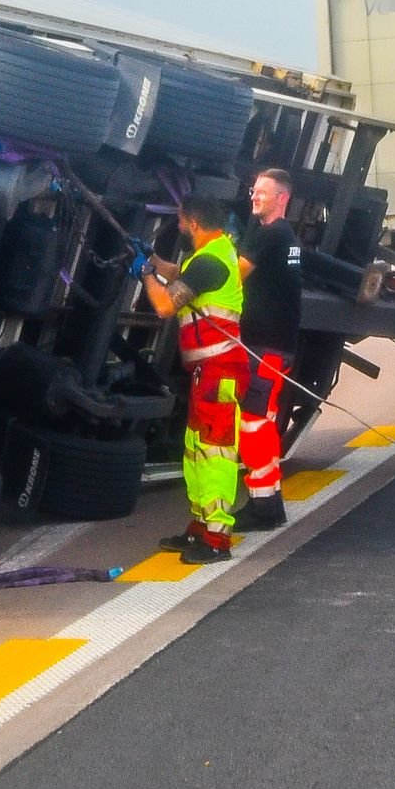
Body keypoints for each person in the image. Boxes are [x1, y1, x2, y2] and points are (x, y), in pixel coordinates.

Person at [156, 201, 256, 563]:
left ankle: (217, 540)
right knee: (196, 450)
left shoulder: (210, 261)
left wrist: (145, 276)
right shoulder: (214, 253)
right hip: (208, 373)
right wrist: (151, 261)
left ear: (194, 222)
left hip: (220, 372)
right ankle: (200, 528)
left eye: (181, 221)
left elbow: (165, 306)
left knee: (215, 454)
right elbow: (180, 272)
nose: (180, 227)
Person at [233, 167, 307, 530]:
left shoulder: (273, 234)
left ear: (283, 198)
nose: (254, 196)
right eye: (253, 190)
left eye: (262, 192)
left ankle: (263, 507)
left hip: (268, 347)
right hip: (274, 345)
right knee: (261, 421)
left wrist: (186, 275)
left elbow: (234, 274)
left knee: (253, 423)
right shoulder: (284, 235)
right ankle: (270, 503)